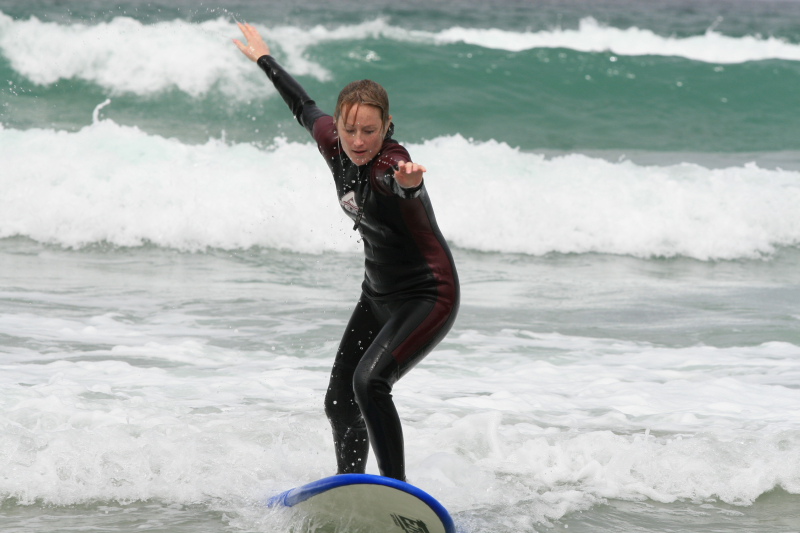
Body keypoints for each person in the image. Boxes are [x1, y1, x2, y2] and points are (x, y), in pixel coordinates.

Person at [234, 23, 459, 482]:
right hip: (378, 295)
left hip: (428, 295)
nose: (358, 140)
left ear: (387, 128)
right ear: (338, 126)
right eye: (350, 129)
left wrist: (410, 185)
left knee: (369, 382)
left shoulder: (389, 163)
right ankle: (352, 486)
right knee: (339, 400)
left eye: (370, 131)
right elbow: (303, 106)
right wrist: (264, 59)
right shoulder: (334, 144)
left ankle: (399, 492)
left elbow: (398, 183)